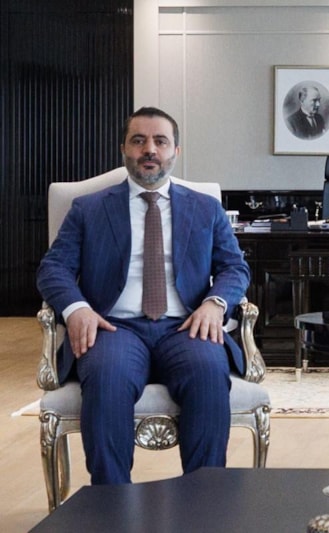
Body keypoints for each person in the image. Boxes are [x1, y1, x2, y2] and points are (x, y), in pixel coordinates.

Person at [36, 107, 251, 485]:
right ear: (124, 149)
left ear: (175, 151)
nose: (149, 149)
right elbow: (53, 269)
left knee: (208, 372)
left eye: (160, 141)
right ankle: (112, 503)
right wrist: (77, 309)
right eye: (139, 140)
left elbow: (235, 268)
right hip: (113, 328)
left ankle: (205, 501)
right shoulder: (88, 209)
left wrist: (214, 304)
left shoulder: (205, 208)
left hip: (186, 327)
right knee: (107, 377)